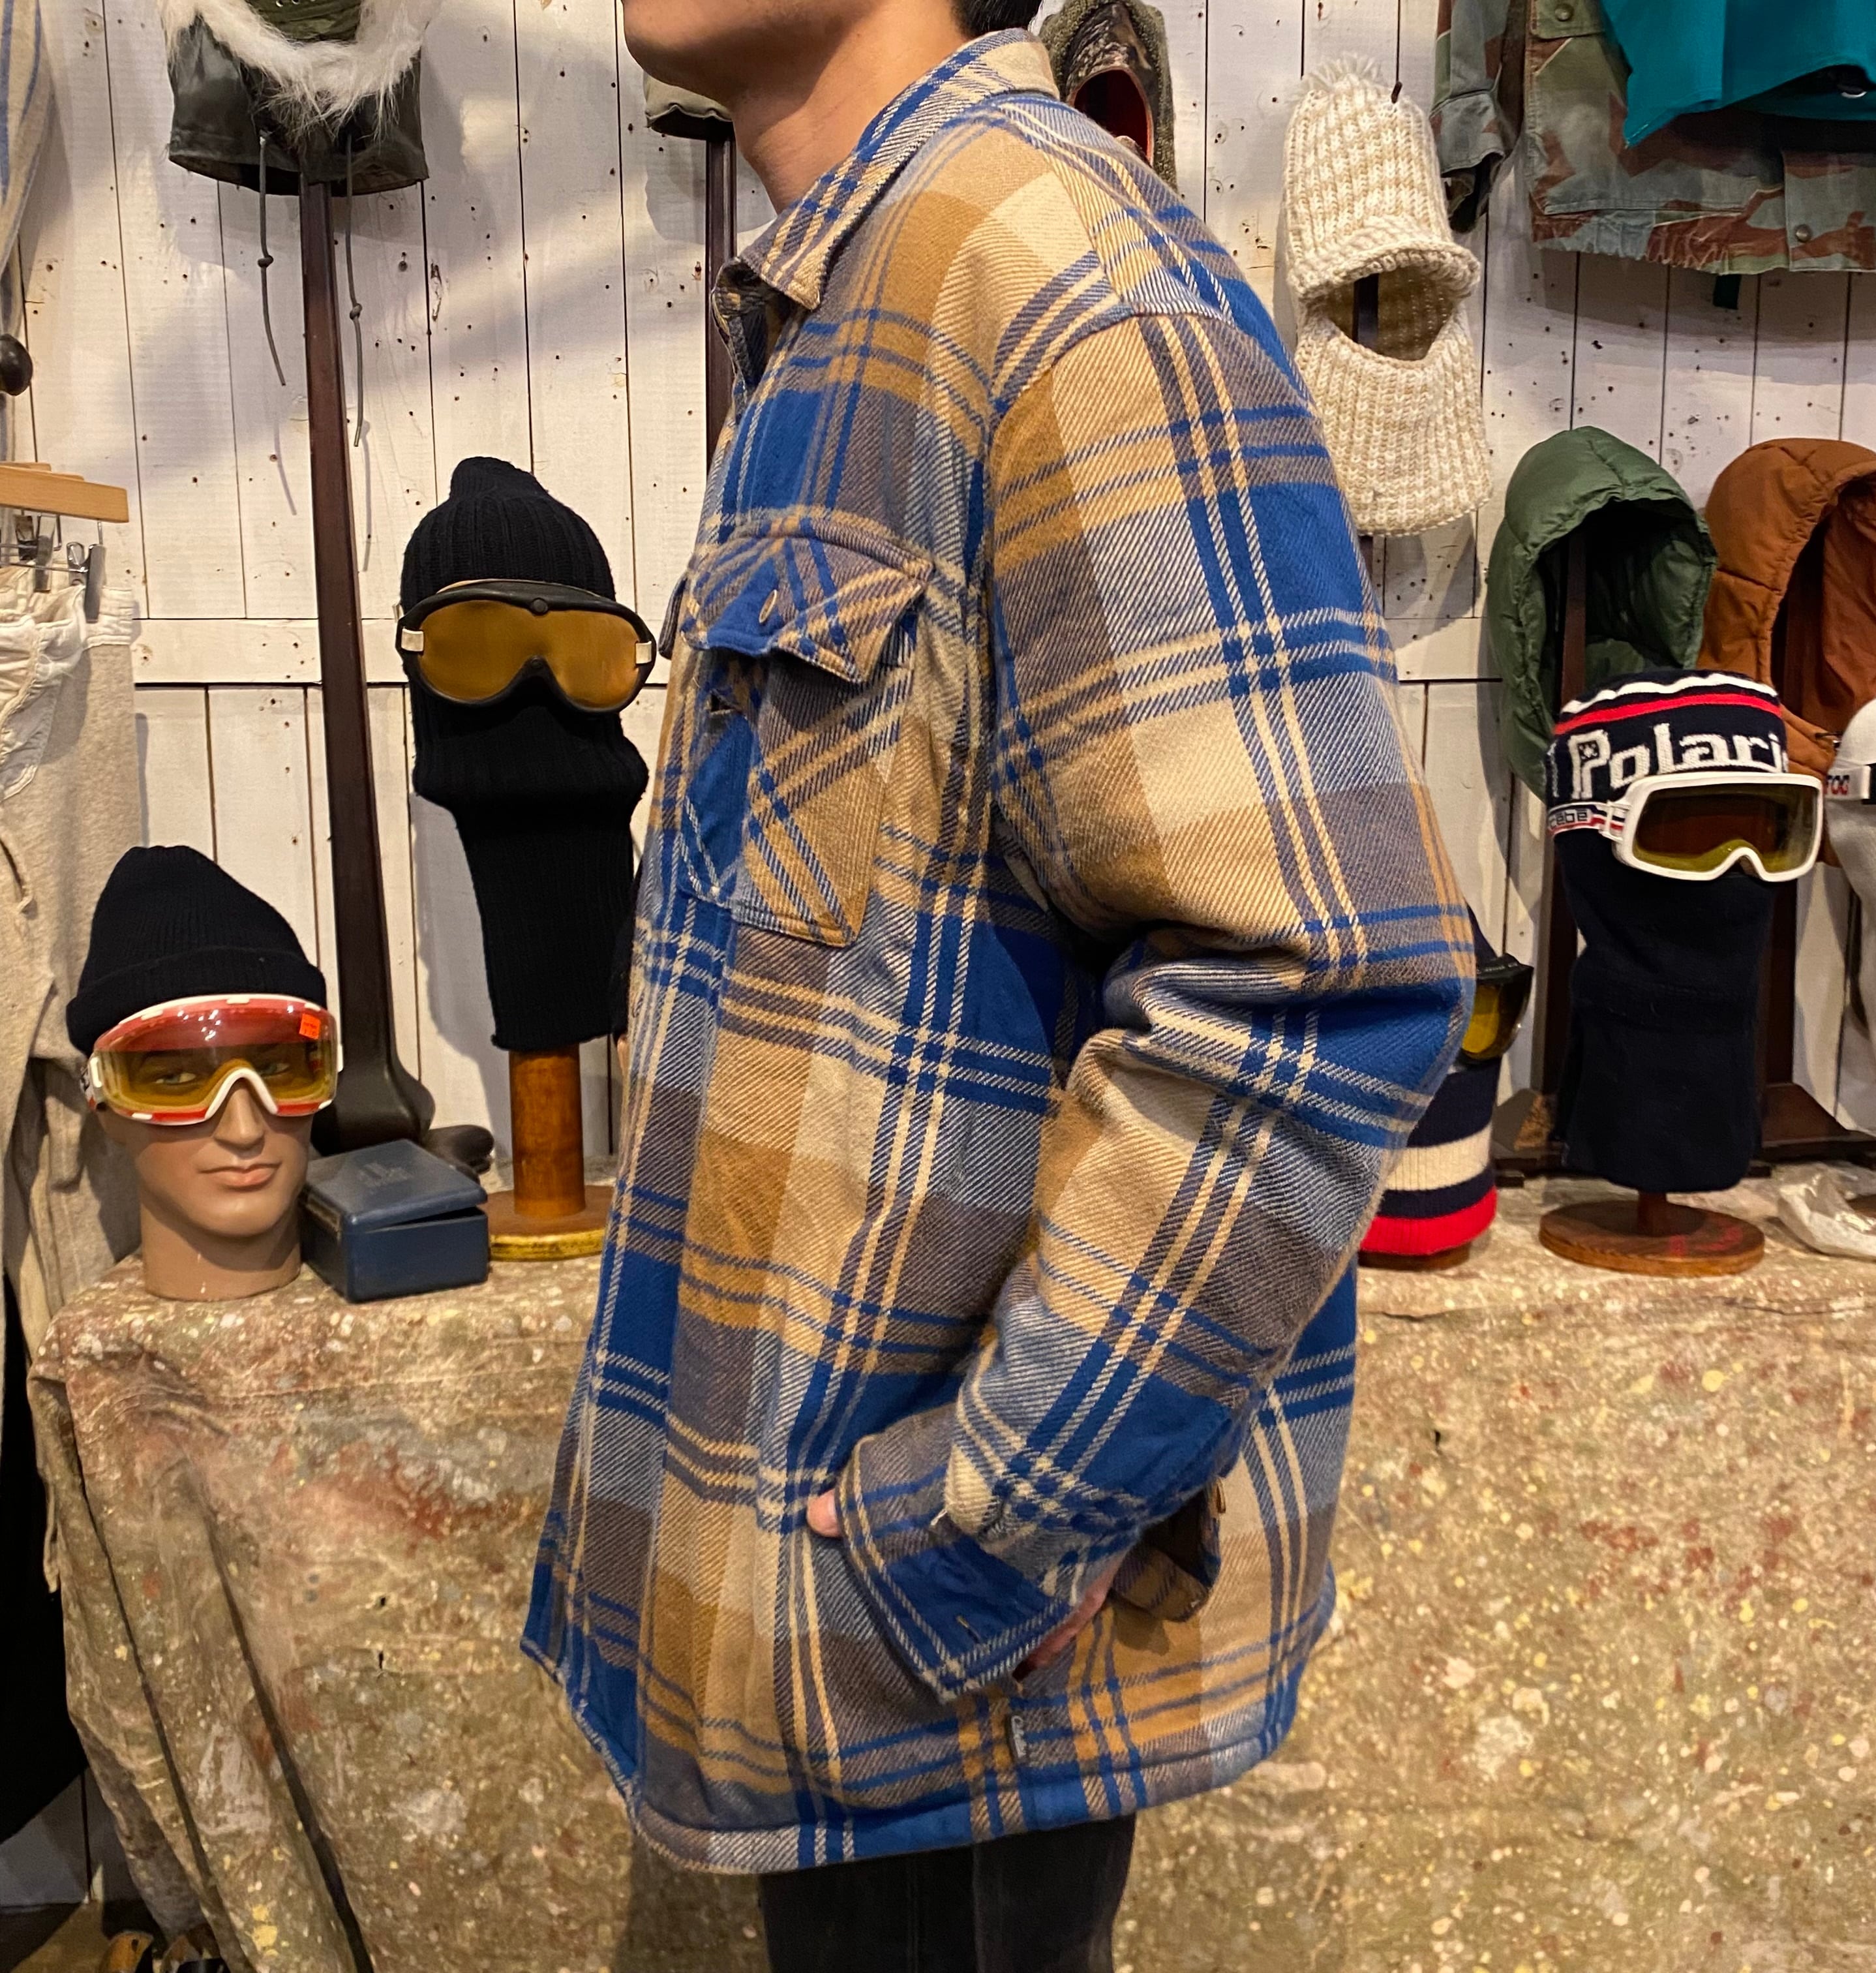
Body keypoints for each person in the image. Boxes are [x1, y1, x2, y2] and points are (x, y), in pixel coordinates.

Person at [522, 3, 1474, 1967]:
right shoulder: (876, 291)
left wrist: (977, 1535)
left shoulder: (1058, 276)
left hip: (938, 1673)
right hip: (855, 1637)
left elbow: (1316, 982)